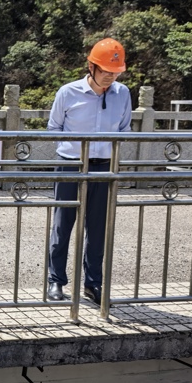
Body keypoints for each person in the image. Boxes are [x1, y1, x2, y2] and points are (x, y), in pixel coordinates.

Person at [46, 38, 132, 306]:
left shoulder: (122, 93)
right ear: (91, 67)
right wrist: (73, 150)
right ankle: (56, 280)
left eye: (115, 72)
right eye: (105, 70)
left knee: (98, 228)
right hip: (71, 164)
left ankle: (93, 283)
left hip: (104, 166)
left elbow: (125, 129)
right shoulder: (68, 92)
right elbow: (54, 128)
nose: (110, 76)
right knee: (63, 224)